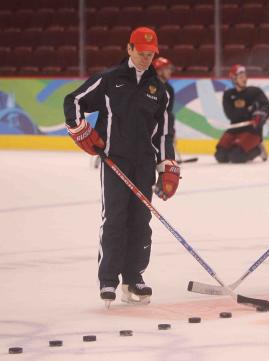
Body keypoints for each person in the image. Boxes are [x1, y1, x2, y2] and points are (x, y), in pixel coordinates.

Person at [63, 27, 180, 307]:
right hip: (115, 161)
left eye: (150, 55)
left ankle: (133, 276)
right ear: (129, 49)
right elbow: (74, 101)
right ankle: (108, 279)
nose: (145, 59)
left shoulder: (159, 90)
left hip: (144, 164)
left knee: (140, 220)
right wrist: (79, 129)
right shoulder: (109, 80)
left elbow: (163, 133)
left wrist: (167, 166)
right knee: (114, 218)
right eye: (141, 53)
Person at [215, 65, 269, 163]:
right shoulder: (228, 95)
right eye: (241, 77)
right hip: (235, 128)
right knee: (220, 156)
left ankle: (258, 149)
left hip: (252, 129)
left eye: (245, 76)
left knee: (236, 157)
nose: (244, 79)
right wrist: (250, 109)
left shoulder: (255, 91)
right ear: (234, 79)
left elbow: (267, 106)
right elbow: (231, 115)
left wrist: (262, 113)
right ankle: (237, 147)